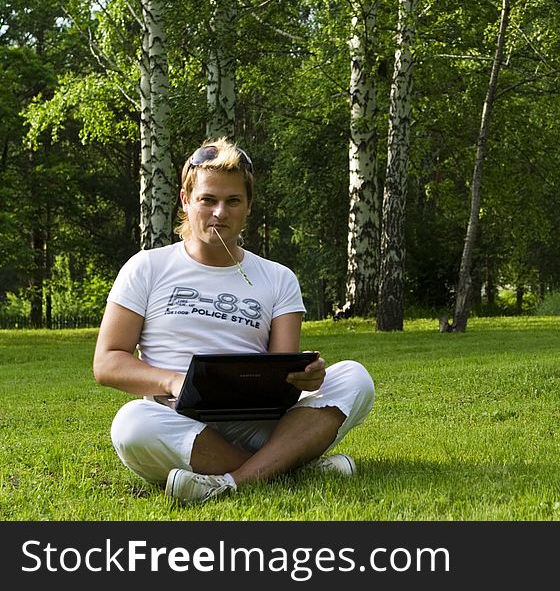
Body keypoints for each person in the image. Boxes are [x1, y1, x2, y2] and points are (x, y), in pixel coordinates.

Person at [93, 137, 374, 504]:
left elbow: (281, 372)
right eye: (208, 200)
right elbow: (107, 361)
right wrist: (175, 382)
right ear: (186, 200)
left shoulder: (277, 277)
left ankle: (235, 481)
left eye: (233, 201)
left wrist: (306, 377)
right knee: (131, 424)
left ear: (248, 207)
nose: (219, 213)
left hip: (262, 423)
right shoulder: (147, 267)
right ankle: (287, 470)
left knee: (354, 376)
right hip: (180, 421)